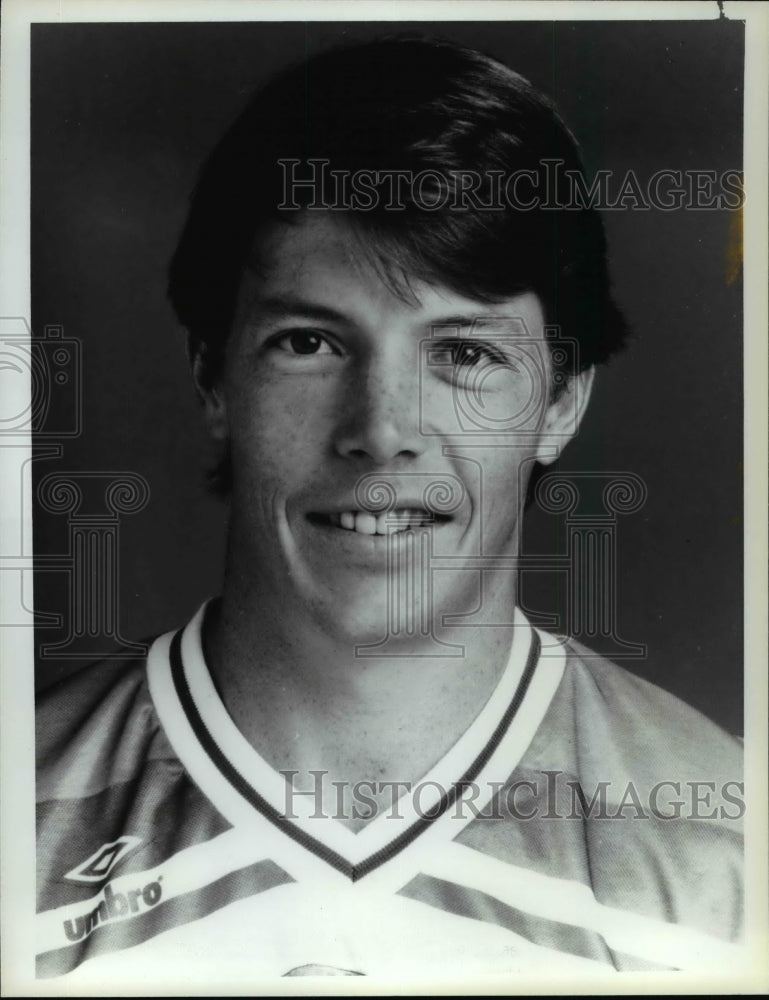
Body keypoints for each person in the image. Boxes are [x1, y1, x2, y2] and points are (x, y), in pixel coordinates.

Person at [35, 35, 743, 983]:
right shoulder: (20, 815)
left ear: (561, 402)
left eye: (464, 353)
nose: (380, 431)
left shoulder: (728, 853)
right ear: (212, 377)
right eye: (310, 342)